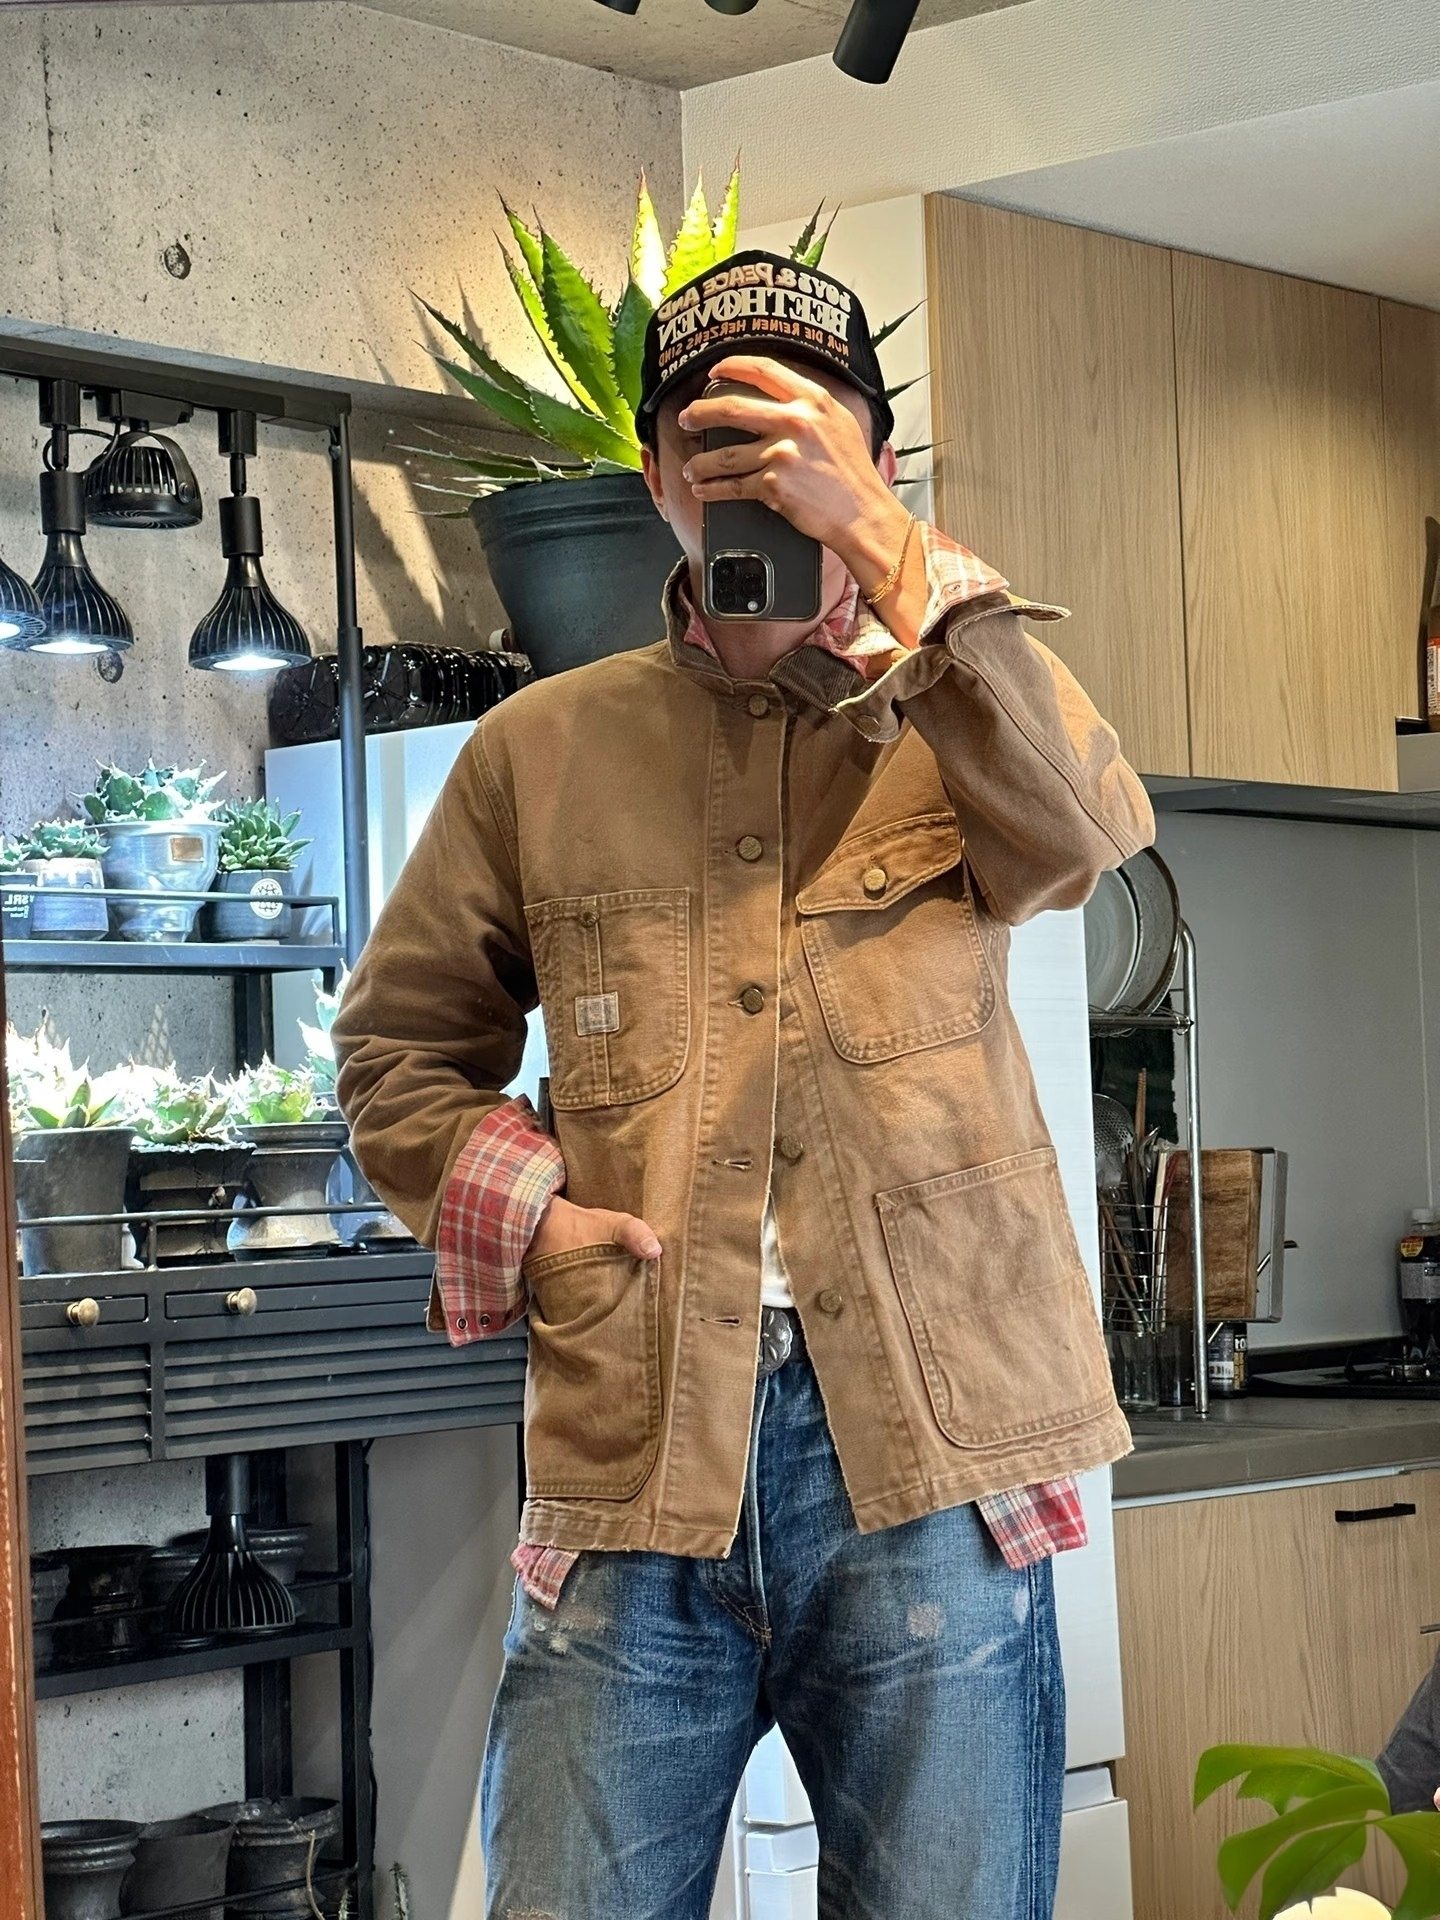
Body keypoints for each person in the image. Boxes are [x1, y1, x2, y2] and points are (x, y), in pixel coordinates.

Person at [332, 247, 1155, 1920]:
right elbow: (396, 1051)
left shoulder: (960, 713)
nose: (754, 479)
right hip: (638, 1438)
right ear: (655, 479)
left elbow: (1085, 839)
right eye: (714, 444)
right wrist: (536, 1220)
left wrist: (890, 549)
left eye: (803, 439)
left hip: (932, 1445)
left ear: (877, 459)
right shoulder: (539, 751)